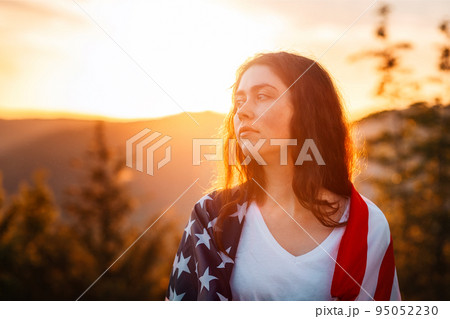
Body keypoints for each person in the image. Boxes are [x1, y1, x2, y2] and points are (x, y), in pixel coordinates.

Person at [165, 51, 402, 301]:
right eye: (239, 101)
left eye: (262, 96)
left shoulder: (367, 226)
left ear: (308, 111)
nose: (242, 111)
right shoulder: (211, 217)